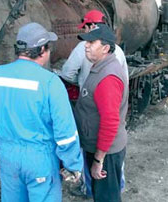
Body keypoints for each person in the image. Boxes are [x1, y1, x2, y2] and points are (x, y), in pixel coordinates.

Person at [0, 22, 83, 202]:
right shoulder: (50, 82)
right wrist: (73, 164)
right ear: (42, 49)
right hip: (40, 159)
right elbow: (65, 132)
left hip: (8, 157)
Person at [60, 10, 128, 198]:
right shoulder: (101, 67)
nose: (86, 47)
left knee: (106, 196)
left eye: (91, 43)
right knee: (104, 193)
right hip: (100, 146)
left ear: (105, 48)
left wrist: (98, 159)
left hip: (104, 152)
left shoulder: (107, 78)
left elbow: (110, 121)